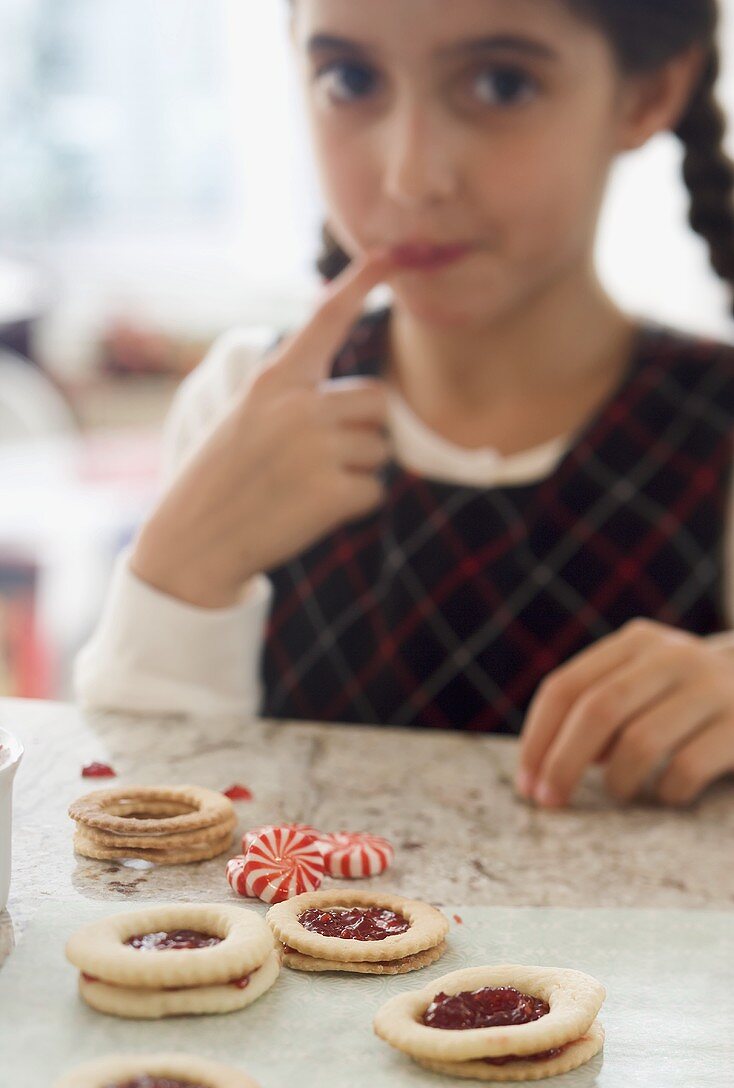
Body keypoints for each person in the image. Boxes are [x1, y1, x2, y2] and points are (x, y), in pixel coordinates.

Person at [76, 0, 734, 811]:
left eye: (501, 84)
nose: (410, 175)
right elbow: (133, 835)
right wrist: (176, 573)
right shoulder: (244, 402)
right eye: (351, 79)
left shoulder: (717, 430)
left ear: (645, 95)